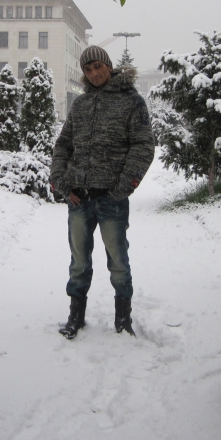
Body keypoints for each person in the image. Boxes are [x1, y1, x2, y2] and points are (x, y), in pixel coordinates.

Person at [50, 45, 155, 339]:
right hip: (79, 199)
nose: (94, 73)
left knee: (118, 263)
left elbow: (144, 146)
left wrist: (122, 188)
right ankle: (76, 317)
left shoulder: (131, 102)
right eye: (88, 69)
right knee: (79, 262)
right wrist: (61, 181)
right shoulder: (81, 105)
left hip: (112, 200)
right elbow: (63, 145)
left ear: (108, 66)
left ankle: (123, 321)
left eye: (98, 66)